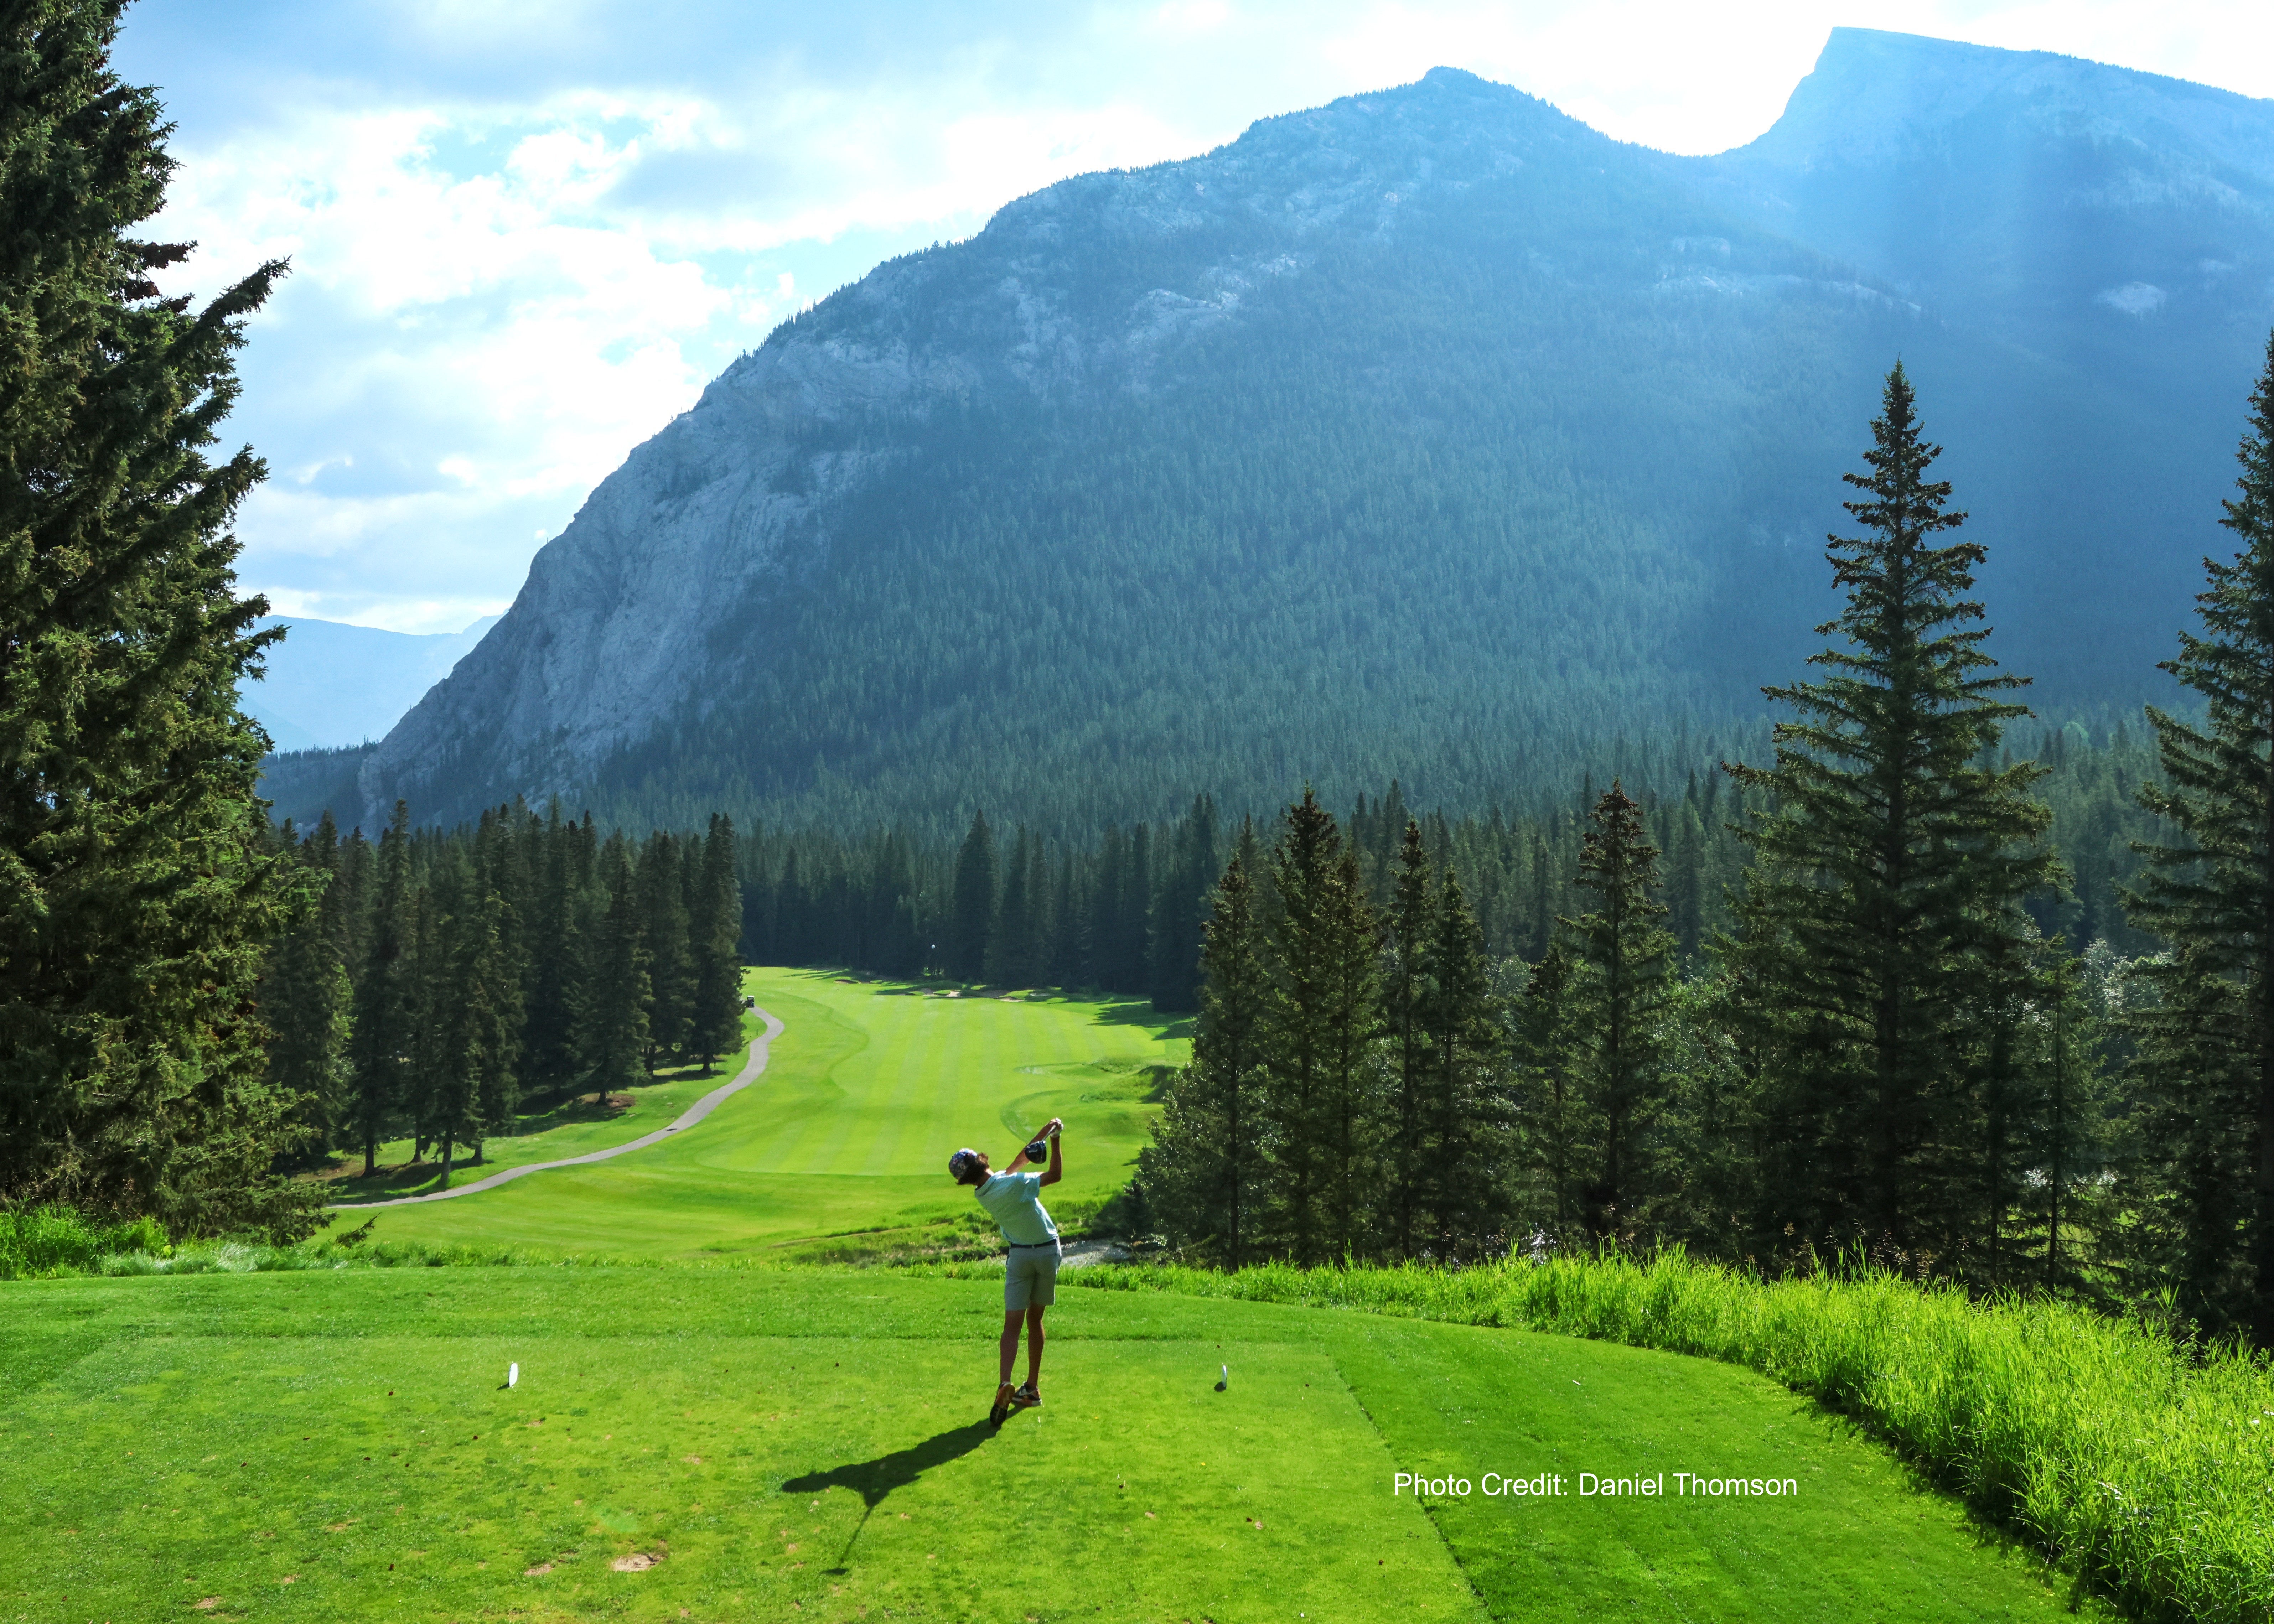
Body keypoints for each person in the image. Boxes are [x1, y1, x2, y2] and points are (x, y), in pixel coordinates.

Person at [948, 1118, 1063, 1427]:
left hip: (1020, 1257)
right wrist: (1056, 1141)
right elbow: (1055, 1174)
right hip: (1048, 1251)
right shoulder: (1014, 1184)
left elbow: (1018, 1160)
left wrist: (1046, 1130)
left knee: (1011, 1324)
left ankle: (1004, 1383)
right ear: (980, 1158)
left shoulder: (984, 1193)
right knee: (1035, 1319)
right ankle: (1032, 1389)